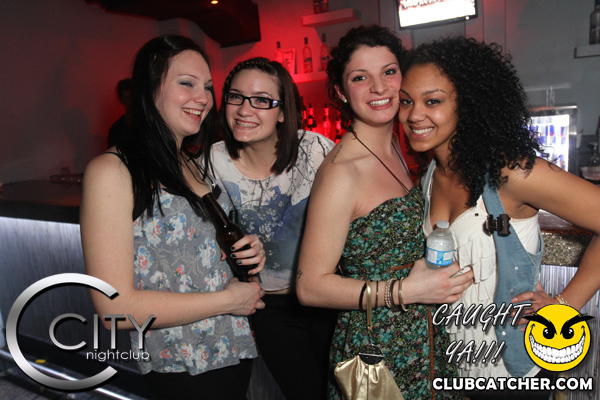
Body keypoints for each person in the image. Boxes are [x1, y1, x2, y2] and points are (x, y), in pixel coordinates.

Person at [398, 36, 600, 399]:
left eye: (433, 101)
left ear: (468, 103)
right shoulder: (429, 175)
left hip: (512, 374)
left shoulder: (511, 172)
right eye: (406, 101)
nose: (414, 115)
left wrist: (563, 306)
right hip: (451, 370)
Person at [81, 35, 266, 400]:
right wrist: (228, 301)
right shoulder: (112, 170)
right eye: (187, 83)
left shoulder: (193, 164)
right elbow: (113, 307)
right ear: (150, 90)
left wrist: (246, 252)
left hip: (231, 347)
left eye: (207, 87)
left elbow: (195, 256)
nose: (204, 98)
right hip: (182, 364)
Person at [295, 25, 473, 400]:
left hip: (424, 338)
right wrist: (404, 291)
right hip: (377, 349)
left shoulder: (398, 145)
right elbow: (310, 287)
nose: (379, 88)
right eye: (360, 77)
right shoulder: (342, 173)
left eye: (389, 72)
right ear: (341, 92)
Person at [210, 57, 337, 400]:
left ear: (282, 112)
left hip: (327, 297)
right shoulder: (213, 162)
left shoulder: (315, 150)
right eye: (236, 97)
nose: (244, 109)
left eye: (262, 100)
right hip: (271, 308)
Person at [107, 78, 132, 148]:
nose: (132, 101)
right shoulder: (116, 130)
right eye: (128, 98)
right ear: (122, 100)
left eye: (134, 96)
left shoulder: (150, 123)